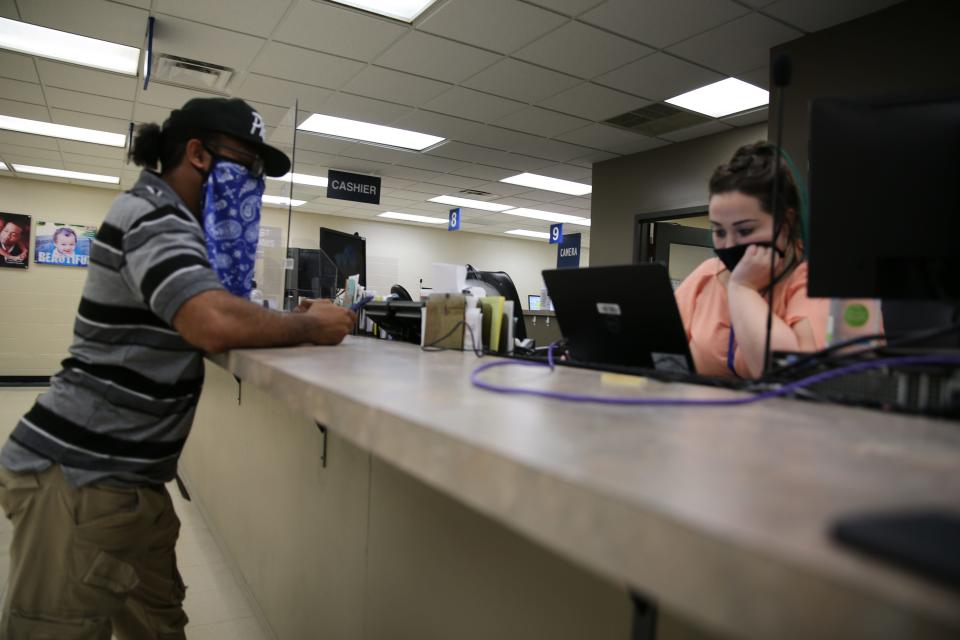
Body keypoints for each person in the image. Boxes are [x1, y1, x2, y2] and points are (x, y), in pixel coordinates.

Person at [0, 97, 356, 639]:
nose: (256, 183)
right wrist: (311, 327)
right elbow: (208, 320)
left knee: (160, 623)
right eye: (249, 165)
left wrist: (282, 317)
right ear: (197, 154)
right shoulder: (153, 212)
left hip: (132, 481)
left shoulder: (178, 226)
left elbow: (210, 301)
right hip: (81, 478)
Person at [675, 142, 829, 378]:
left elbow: (789, 377)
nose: (729, 245)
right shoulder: (707, 274)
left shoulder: (813, 282)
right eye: (719, 232)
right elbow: (660, 349)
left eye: (745, 231)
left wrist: (742, 288)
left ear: (784, 222)